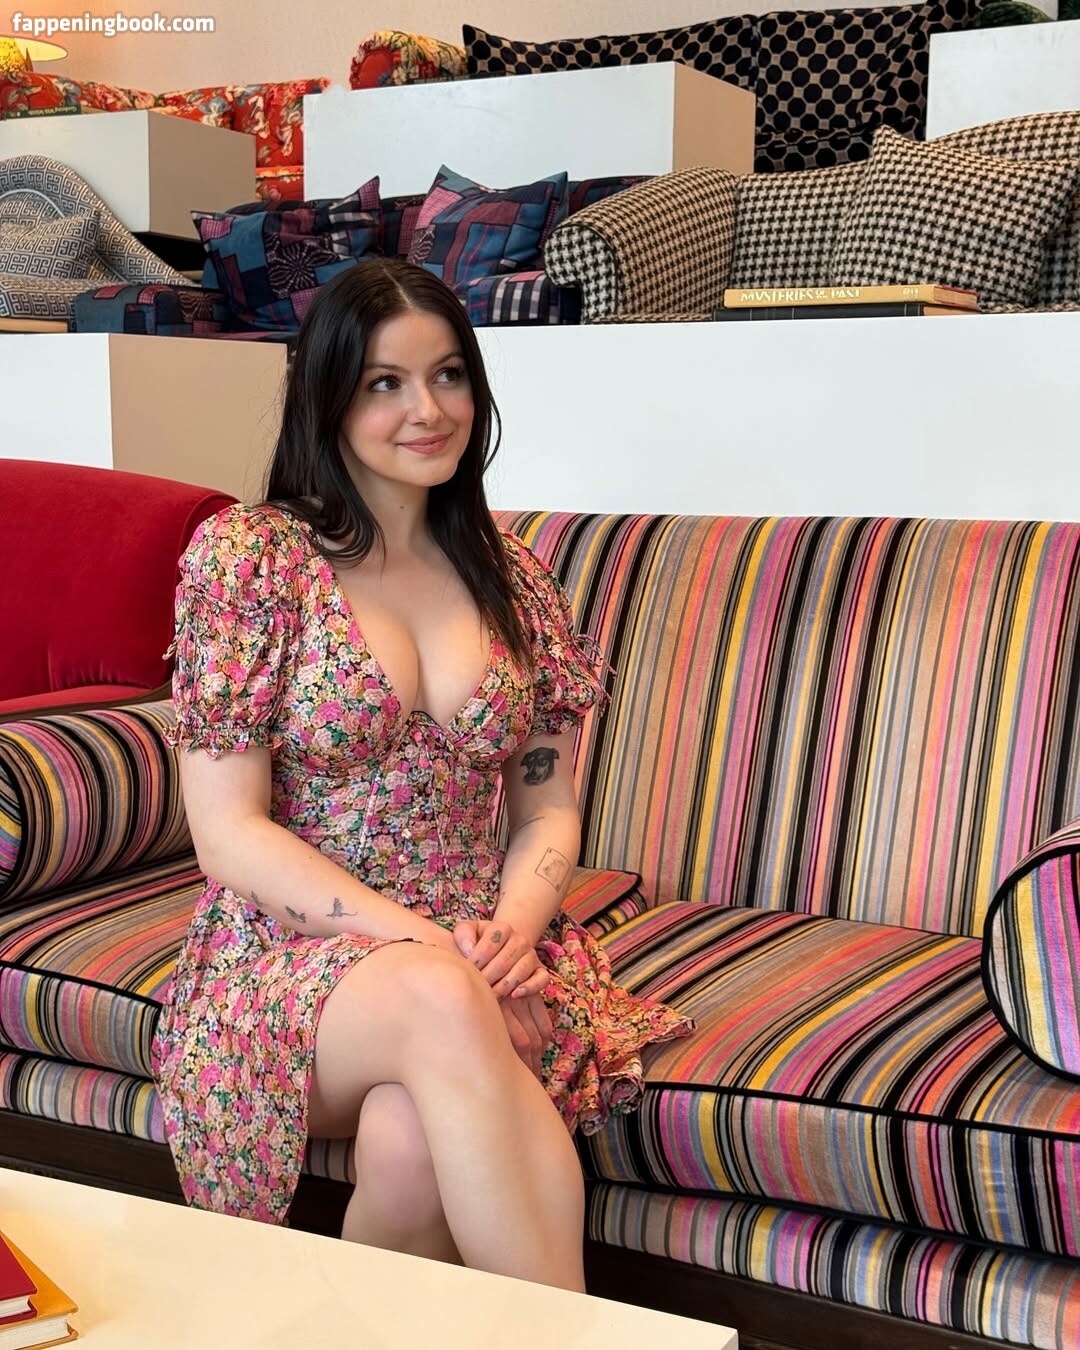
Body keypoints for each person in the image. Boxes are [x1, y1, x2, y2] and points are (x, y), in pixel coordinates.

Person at [151, 258, 694, 1293]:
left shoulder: (512, 575)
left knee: (409, 1151)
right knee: (444, 1002)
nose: (429, 410)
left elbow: (547, 809)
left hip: (479, 950)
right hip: (285, 961)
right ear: (329, 397)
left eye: (448, 375)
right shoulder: (252, 558)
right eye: (385, 383)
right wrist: (446, 956)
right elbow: (229, 834)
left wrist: (513, 938)